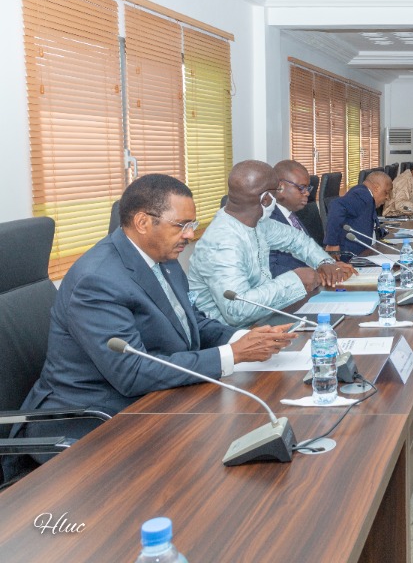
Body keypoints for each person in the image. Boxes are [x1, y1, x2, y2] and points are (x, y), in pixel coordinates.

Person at [8, 174, 297, 461]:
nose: (190, 235)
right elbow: (132, 373)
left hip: (153, 400)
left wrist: (245, 340)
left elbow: (191, 322)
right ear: (143, 223)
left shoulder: (164, 259)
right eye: (182, 225)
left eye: (192, 224)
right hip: (91, 418)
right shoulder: (97, 280)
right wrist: (232, 354)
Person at [188, 161, 353, 328]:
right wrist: (295, 280)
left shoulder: (257, 223)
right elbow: (237, 310)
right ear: (265, 199)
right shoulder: (222, 242)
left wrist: (324, 262)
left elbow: (296, 240)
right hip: (231, 335)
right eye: (277, 191)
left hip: (264, 320)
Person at [325, 170, 393, 259]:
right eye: (386, 192)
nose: (388, 197)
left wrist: (383, 232)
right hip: (351, 258)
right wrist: (332, 243)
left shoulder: (367, 196)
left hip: (365, 253)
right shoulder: (363, 195)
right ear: (376, 188)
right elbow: (337, 205)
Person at [268, 160, 317, 278]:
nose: (307, 193)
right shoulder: (268, 220)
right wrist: (315, 274)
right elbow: (268, 270)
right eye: (301, 188)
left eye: (307, 188)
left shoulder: (291, 215)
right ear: (280, 188)